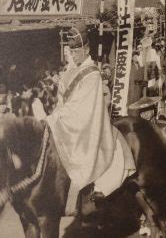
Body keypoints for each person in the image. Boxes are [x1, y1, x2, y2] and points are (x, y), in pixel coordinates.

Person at [46, 30, 135, 203]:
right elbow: (62, 99)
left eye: (77, 51)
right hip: (69, 119)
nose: (73, 55)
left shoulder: (92, 73)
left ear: (86, 49)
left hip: (88, 121)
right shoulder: (69, 71)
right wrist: (56, 113)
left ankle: (94, 186)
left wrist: (58, 116)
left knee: (85, 148)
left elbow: (82, 105)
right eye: (71, 51)